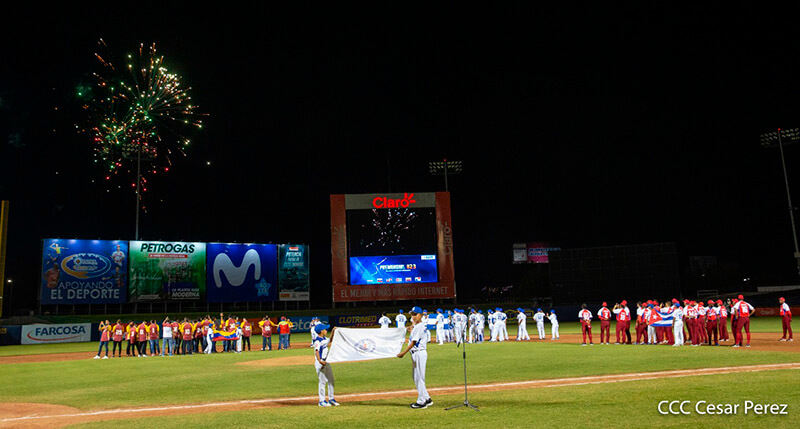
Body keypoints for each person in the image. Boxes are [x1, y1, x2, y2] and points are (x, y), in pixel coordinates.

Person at [396, 306, 432, 409]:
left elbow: (414, 342)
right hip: (416, 354)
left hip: (419, 353)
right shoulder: (418, 326)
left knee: (419, 378)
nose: (413, 317)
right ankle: (427, 398)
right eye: (412, 314)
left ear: (420, 315)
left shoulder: (420, 326)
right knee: (416, 377)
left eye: (415, 314)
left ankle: (421, 402)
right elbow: (415, 336)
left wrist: (403, 352)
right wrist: (411, 329)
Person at [314, 324, 339, 407]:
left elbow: (330, 340)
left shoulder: (324, 339)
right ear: (321, 331)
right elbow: (316, 351)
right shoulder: (317, 340)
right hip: (320, 363)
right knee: (322, 381)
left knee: (331, 380)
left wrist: (333, 331)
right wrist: (320, 361)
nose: (326, 331)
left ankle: (331, 399)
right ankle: (321, 401)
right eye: (325, 329)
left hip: (326, 362)